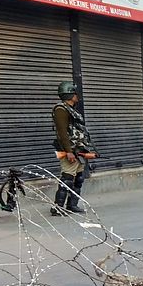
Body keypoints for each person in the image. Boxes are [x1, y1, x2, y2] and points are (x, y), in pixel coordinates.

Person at [51, 82, 97, 216]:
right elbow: (62, 133)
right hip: (69, 150)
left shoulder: (71, 109)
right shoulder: (61, 109)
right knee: (67, 178)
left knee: (79, 178)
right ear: (70, 94)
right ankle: (58, 207)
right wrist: (68, 152)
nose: (77, 95)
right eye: (75, 93)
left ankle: (72, 205)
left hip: (78, 149)